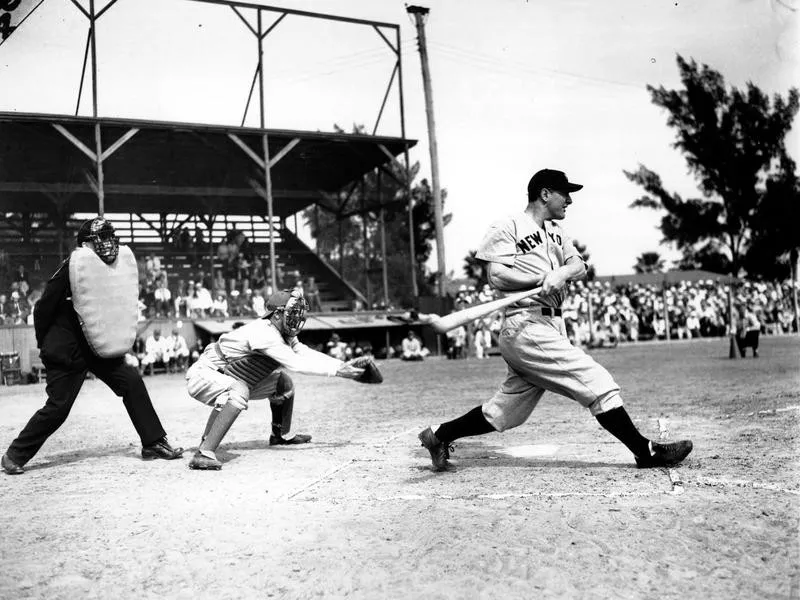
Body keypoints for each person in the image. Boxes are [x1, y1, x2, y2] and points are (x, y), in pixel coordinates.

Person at [417, 169, 692, 472]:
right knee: (596, 381)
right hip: (525, 325)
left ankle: (438, 435)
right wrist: (539, 278)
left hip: (551, 327)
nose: (570, 200)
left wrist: (560, 272)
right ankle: (644, 451)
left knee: (505, 412)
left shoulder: (557, 231)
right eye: (564, 193)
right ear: (545, 194)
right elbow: (497, 276)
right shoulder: (508, 226)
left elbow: (579, 265)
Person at [1, 217, 183, 475]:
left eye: (110, 236)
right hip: (68, 348)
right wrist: (47, 344)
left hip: (97, 344)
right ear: (86, 244)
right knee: (59, 407)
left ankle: (153, 442)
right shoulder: (73, 266)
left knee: (131, 382)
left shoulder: (113, 269)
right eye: (101, 238)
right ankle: (14, 455)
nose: (108, 243)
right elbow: (43, 309)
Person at [184, 289, 371, 470]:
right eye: (292, 312)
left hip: (225, 375)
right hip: (204, 375)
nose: (297, 317)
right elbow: (296, 363)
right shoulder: (264, 332)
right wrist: (337, 372)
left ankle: (281, 434)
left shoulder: (282, 333)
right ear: (276, 315)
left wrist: (340, 365)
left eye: (298, 312)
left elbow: (303, 352)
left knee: (283, 383)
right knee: (238, 391)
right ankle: (204, 452)